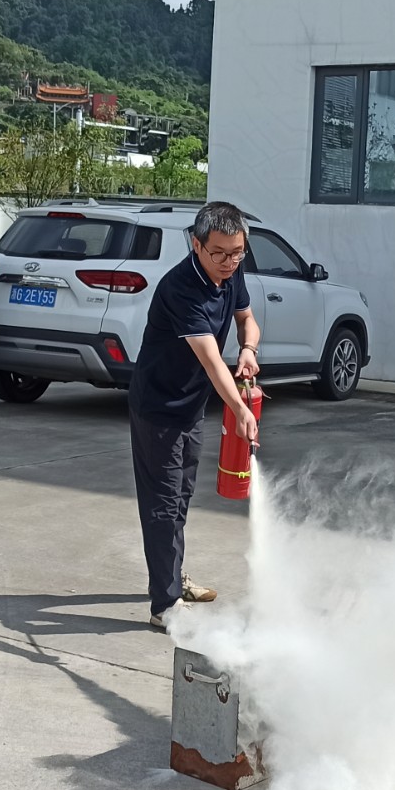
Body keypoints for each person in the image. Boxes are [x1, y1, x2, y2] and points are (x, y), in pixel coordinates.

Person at [128, 202, 261, 629]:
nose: (229, 262)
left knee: (181, 497)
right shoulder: (180, 287)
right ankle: (164, 607)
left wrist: (248, 348)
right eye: (219, 253)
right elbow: (210, 359)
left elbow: (247, 319)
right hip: (158, 408)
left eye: (237, 252)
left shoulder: (232, 271)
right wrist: (239, 409)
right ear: (196, 244)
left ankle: (171, 578)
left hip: (191, 406)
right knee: (163, 504)